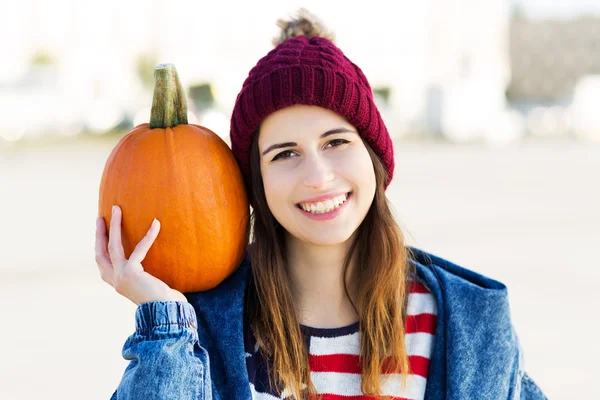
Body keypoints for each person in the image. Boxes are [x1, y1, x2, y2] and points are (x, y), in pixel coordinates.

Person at [96, 9, 547, 400]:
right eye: (285, 154)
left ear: (373, 155)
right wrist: (161, 321)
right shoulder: (201, 326)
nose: (317, 176)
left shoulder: (468, 324)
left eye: (335, 142)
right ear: (255, 182)